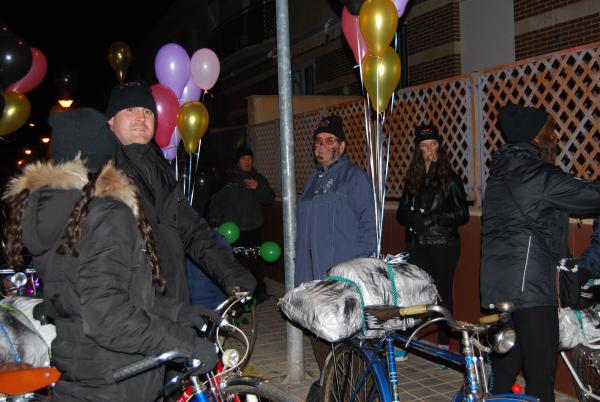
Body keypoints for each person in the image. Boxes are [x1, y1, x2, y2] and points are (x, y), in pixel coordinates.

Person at [2, 108, 219, 401]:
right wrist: (185, 344)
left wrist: (179, 312)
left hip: (86, 373)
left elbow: (97, 297)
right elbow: (108, 317)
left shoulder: (61, 213)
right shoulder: (105, 213)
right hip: (120, 379)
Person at [480, 103, 600, 401]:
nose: (557, 134)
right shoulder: (537, 175)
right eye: (550, 129)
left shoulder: (500, 173)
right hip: (532, 291)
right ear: (536, 136)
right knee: (541, 377)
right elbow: (591, 196)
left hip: (500, 287)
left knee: (505, 371)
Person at [105, 80, 256, 302]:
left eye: (147, 111)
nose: (141, 117)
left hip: (174, 301)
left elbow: (191, 229)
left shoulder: (160, 170)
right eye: (130, 109)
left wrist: (231, 273)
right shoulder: (101, 173)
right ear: (111, 120)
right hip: (131, 311)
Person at [295, 115, 376, 376]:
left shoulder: (355, 177)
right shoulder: (311, 181)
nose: (322, 145)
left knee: (346, 342)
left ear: (341, 146)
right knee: (318, 334)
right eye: (318, 141)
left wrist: (354, 270)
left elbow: (369, 228)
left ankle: (352, 390)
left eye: (329, 140)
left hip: (341, 280)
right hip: (311, 278)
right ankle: (330, 384)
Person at [396, 124, 469, 350]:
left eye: (433, 144)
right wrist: (413, 219)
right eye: (424, 145)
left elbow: (462, 214)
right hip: (417, 243)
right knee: (414, 293)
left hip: (442, 244)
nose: (429, 149)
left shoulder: (450, 178)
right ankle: (410, 341)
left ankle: (445, 344)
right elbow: (401, 213)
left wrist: (432, 219)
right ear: (418, 149)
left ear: (439, 146)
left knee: (442, 293)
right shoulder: (413, 179)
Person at [209, 145, 276, 301]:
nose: (248, 162)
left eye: (250, 159)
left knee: (255, 262)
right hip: (233, 230)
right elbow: (216, 201)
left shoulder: (257, 178)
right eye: (244, 158)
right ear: (238, 161)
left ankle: (260, 293)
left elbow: (270, 197)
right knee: (232, 263)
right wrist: (215, 222)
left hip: (253, 228)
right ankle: (233, 295)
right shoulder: (228, 179)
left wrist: (258, 187)